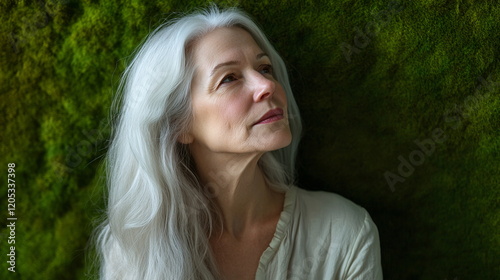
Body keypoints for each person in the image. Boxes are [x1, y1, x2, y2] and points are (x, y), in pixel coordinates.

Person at [95, 5, 383, 280]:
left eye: (265, 68)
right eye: (229, 78)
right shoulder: (132, 249)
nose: (267, 85)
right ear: (178, 125)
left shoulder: (344, 232)